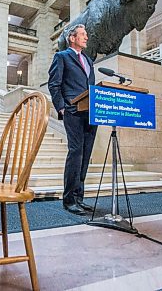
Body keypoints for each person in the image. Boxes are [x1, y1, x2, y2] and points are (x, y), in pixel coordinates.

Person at [48, 24, 97, 216]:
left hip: (91, 112)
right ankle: (69, 200)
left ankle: (79, 198)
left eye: (86, 34)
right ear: (72, 38)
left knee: (85, 155)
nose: (86, 37)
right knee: (75, 153)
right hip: (73, 111)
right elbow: (54, 84)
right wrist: (62, 107)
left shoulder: (89, 60)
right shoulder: (62, 57)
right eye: (83, 35)